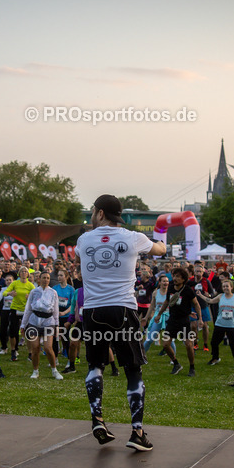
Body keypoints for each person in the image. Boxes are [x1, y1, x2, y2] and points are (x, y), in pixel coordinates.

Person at [76, 194, 165, 452]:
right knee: (133, 369)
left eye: (93, 211)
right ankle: (137, 431)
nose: (92, 215)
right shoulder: (132, 238)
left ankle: (98, 419)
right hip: (123, 310)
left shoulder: (83, 240)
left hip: (92, 310)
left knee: (95, 364)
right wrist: (160, 243)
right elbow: (159, 250)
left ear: (101, 213)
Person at [155, 267, 203, 377]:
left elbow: (196, 304)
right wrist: (159, 314)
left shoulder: (188, 291)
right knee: (166, 344)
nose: (174, 278)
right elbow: (167, 302)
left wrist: (200, 318)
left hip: (184, 320)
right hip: (172, 319)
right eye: (174, 276)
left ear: (183, 279)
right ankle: (176, 363)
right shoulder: (171, 287)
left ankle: (192, 367)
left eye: (177, 276)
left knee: (188, 345)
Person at [20, 271, 63, 380]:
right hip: (34, 321)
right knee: (35, 348)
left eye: (48, 278)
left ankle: (54, 370)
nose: (46, 280)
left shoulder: (53, 293)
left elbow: (55, 310)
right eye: (44, 278)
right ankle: (35, 371)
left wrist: (57, 325)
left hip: (49, 322)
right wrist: (23, 324)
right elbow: (28, 309)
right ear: (39, 279)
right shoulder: (34, 292)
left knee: (48, 347)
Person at [199, 272, 234, 366]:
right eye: (224, 287)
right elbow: (210, 301)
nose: (225, 288)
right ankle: (215, 358)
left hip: (231, 324)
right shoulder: (220, 296)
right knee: (214, 342)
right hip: (220, 323)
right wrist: (200, 295)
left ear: (231, 287)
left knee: (233, 344)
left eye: (227, 286)